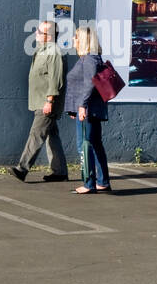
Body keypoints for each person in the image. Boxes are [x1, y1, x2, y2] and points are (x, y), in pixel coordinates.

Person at [11, 21, 68, 183]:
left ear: (48, 35)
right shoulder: (42, 50)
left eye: (39, 31)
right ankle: (60, 172)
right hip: (40, 101)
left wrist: (50, 100)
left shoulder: (54, 52)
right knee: (52, 136)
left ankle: (22, 169)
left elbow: (56, 79)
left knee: (36, 135)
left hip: (47, 102)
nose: (35, 33)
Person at [65, 25, 110, 194]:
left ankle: (89, 183)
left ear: (83, 40)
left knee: (84, 145)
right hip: (89, 109)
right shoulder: (90, 58)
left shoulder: (90, 59)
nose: (73, 40)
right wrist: (73, 109)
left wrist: (82, 106)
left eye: (76, 37)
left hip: (88, 110)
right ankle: (103, 182)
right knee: (95, 144)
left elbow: (89, 83)